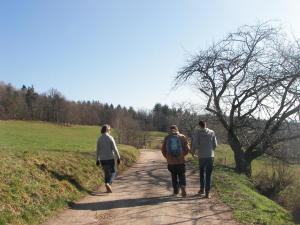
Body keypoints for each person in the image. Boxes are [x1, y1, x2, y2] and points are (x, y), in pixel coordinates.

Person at [191, 121, 217, 198]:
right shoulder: (212, 132)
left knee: (202, 173)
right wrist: (211, 151)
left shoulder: (197, 133)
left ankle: (202, 189)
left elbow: (195, 144)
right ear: (206, 125)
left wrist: (192, 153)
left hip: (201, 156)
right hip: (210, 156)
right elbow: (215, 144)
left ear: (199, 126)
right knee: (209, 174)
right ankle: (207, 192)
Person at [161, 125, 190, 197]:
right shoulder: (182, 137)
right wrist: (183, 155)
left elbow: (163, 149)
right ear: (177, 129)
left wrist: (167, 157)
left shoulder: (167, 138)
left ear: (170, 130)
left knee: (173, 176)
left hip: (171, 162)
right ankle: (183, 186)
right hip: (180, 161)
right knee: (181, 174)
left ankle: (175, 191)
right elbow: (187, 148)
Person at [96, 124, 121, 193]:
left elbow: (97, 150)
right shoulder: (110, 138)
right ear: (107, 130)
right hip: (110, 158)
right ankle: (108, 183)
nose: (110, 131)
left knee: (106, 173)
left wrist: (97, 160)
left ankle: (107, 188)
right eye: (109, 129)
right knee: (113, 172)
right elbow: (115, 149)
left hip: (102, 159)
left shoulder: (99, 139)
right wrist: (118, 157)